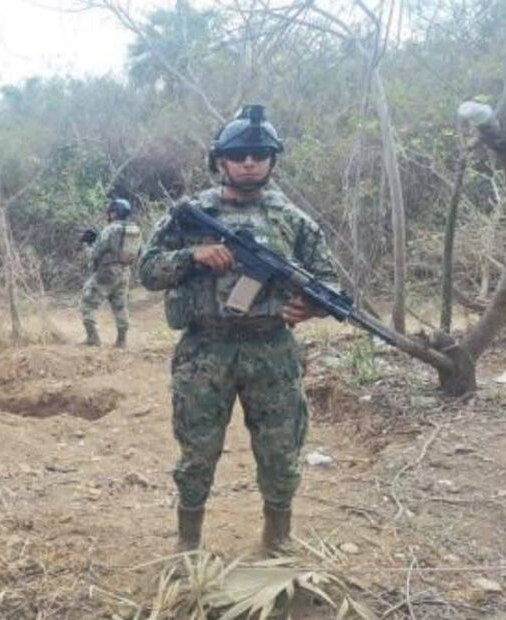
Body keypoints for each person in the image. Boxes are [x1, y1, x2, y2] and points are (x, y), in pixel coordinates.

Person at [137, 105, 339, 554]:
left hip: (272, 349)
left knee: (280, 450)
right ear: (220, 160)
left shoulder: (293, 220)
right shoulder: (191, 215)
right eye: (239, 154)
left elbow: (329, 282)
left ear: (272, 160)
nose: (250, 162)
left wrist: (312, 306)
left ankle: (277, 539)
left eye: (260, 154)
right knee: (197, 451)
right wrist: (192, 256)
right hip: (204, 350)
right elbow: (146, 271)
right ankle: (188, 544)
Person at [79, 198, 143, 348]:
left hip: (107, 271)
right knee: (120, 306)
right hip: (125, 271)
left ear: (115, 213)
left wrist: (88, 244)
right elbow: (139, 252)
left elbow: (96, 253)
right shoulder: (136, 230)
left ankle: (93, 338)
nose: (109, 214)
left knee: (87, 304)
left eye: (111, 212)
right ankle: (122, 340)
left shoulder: (110, 229)